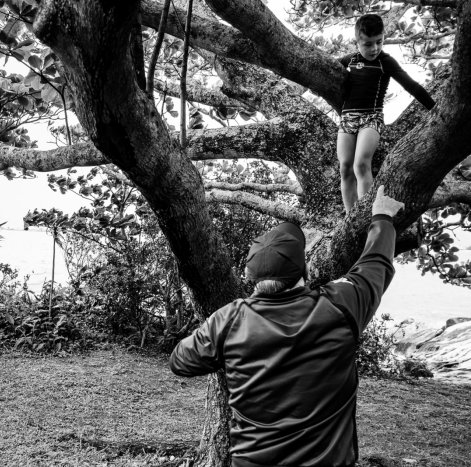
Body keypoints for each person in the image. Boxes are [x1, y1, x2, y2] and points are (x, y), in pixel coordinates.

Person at [170, 186, 404, 467]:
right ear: (305, 272)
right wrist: (382, 217)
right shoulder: (341, 305)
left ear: (251, 278)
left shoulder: (229, 320)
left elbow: (181, 362)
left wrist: (218, 333)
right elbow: (375, 263)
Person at [337, 14, 435, 214]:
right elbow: (326, 68)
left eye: (379, 42)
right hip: (347, 118)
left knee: (361, 164)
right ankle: (350, 216)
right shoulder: (351, 59)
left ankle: (365, 213)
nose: (374, 48)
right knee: (345, 167)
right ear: (357, 42)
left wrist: (435, 108)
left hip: (371, 117)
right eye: (368, 44)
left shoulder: (385, 61)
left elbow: (412, 86)